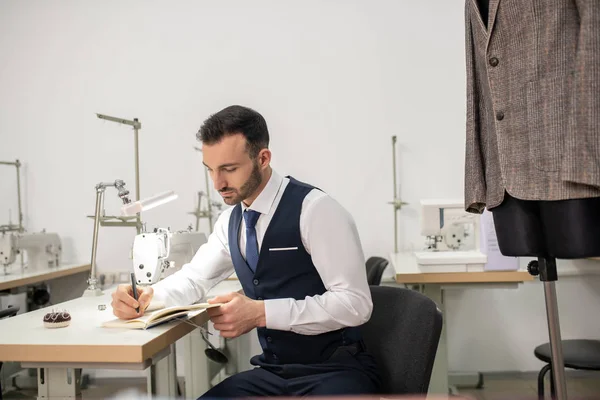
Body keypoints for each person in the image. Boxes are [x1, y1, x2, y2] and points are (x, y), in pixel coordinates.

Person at [110, 105, 381, 397]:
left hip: (334, 370)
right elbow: (194, 279)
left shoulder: (315, 210)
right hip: (274, 373)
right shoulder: (231, 221)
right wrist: (147, 298)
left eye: (229, 169)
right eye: (211, 170)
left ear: (263, 158)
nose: (218, 184)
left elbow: (355, 304)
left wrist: (261, 313)